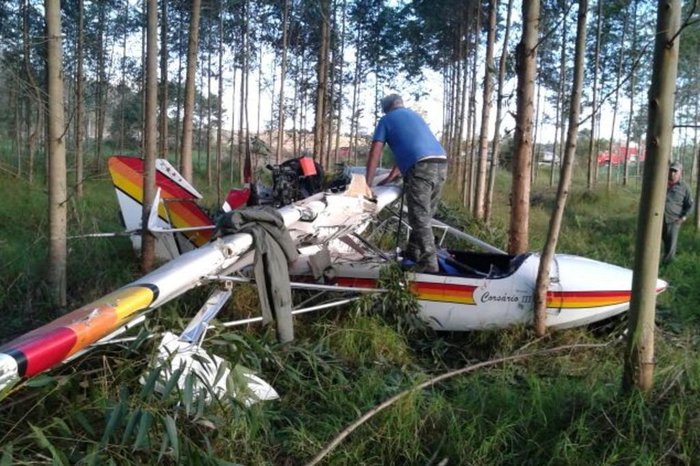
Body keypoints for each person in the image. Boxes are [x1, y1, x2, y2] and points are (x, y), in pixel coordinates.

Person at [365, 94, 447, 273]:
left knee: (419, 217)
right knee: (426, 214)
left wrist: (367, 184)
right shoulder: (414, 116)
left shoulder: (386, 120)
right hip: (441, 163)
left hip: (421, 167)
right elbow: (407, 149)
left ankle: (429, 264)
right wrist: (392, 175)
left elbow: (375, 152)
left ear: (386, 108)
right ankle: (413, 254)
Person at [662, 161, 693, 263]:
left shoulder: (684, 187)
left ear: (680, 173)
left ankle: (667, 266)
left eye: (675, 171)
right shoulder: (661, 183)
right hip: (658, 219)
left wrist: (683, 218)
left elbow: (690, 205)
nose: (672, 173)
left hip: (673, 221)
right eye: (671, 170)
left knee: (670, 245)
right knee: (654, 243)